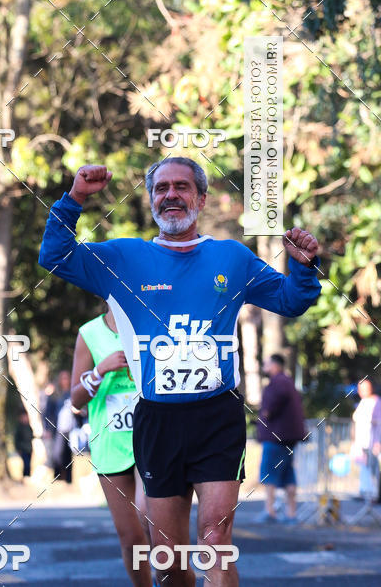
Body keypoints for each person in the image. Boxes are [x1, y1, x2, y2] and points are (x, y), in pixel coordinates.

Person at [39, 159, 322, 587]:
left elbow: (290, 301)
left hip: (217, 416)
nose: (171, 194)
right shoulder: (123, 257)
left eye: (182, 187)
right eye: (161, 188)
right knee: (167, 561)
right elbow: (54, 256)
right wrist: (75, 198)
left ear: (201, 198)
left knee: (214, 539)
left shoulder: (232, 257)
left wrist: (302, 266)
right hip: (158, 420)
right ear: (151, 199)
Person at [71, 305, 152, 587]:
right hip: (110, 443)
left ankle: (170, 580)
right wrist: (100, 370)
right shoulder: (89, 333)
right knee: (130, 538)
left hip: (153, 438)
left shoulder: (152, 322)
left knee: (149, 517)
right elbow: (75, 399)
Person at [256, 354, 306, 522]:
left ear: (275, 365)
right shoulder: (288, 381)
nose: (264, 366)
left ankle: (270, 512)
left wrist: (266, 412)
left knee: (269, 474)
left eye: (267, 363)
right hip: (288, 438)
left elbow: (274, 401)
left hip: (276, 437)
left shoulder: (279, 382)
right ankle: (291, 513)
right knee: (288, 474)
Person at [350, 378, 381, 499]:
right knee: (364, 467)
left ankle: (375, 494)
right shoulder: (362, 402)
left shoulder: (377, 402)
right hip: (362, 442)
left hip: (373, 441)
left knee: (374, 468)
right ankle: (365, 492)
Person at [14, 410, 33, 478]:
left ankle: (28, 476)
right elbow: (16, 440)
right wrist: (18, 448)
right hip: (23, 449)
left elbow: (31, 436)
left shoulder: (29, 427)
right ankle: (25, 476)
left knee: (29, 464)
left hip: (29, 449)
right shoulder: (19, 428)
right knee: (26, 464)